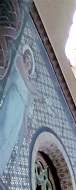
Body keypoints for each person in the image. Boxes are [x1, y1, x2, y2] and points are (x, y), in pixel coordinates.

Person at [0, 45, 36, 177]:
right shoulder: (18, 63)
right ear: (24, 56)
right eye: (27, 58)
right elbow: (25, 81)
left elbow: (26, 110)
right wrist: (38, 93)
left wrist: (25, 129)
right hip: (12, 99)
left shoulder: (29, 89)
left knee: (10, 141)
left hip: (19, 112)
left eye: (30, 61)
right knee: (4, 130)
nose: (28, 62)